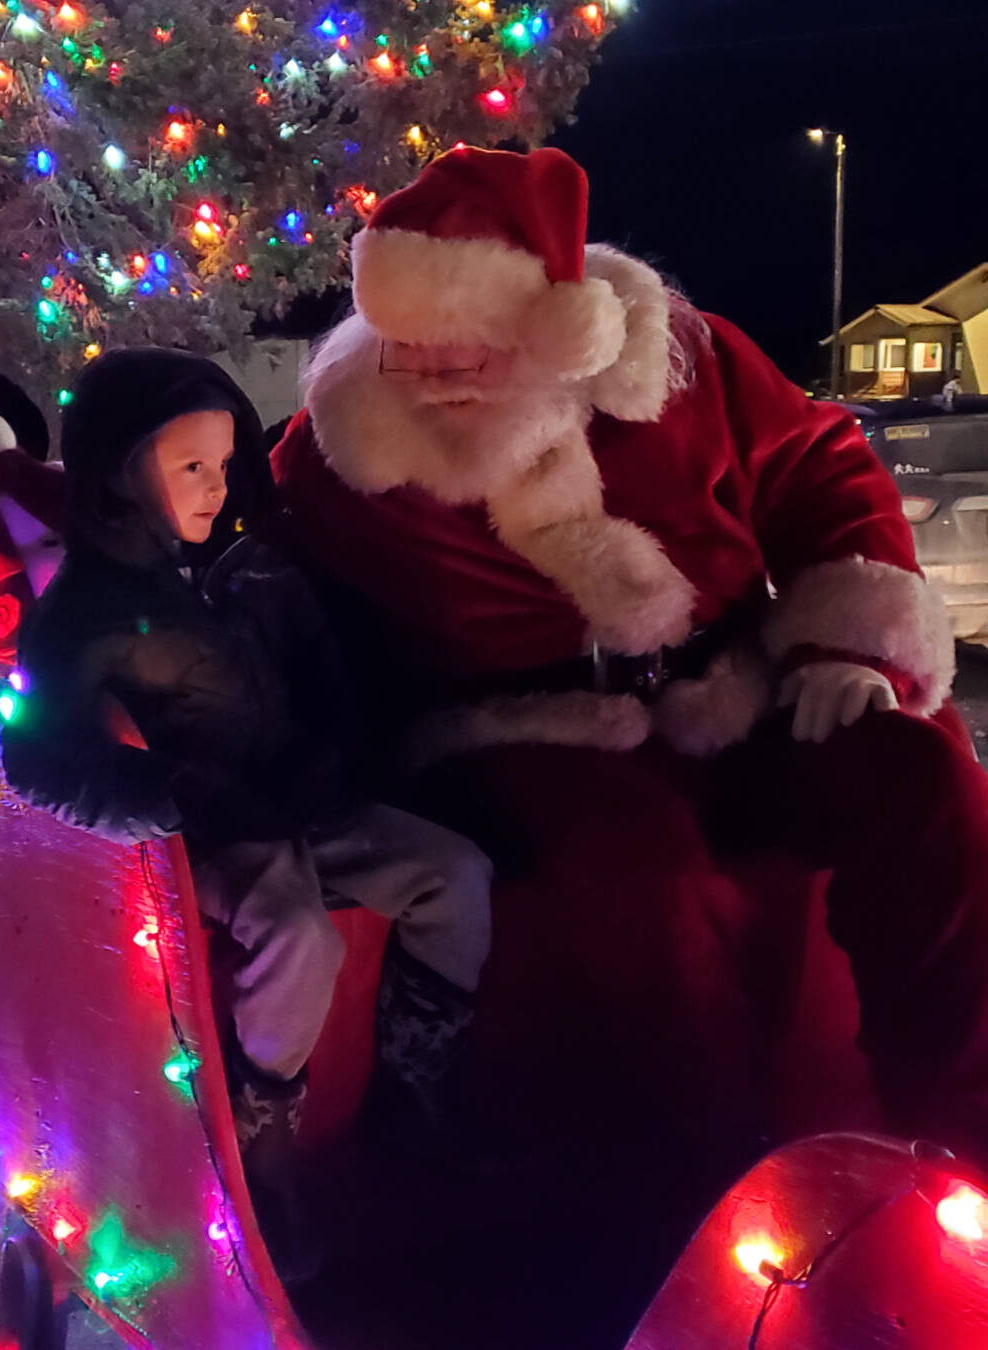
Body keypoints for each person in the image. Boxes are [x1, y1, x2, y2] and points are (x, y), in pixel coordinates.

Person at [272, 145, 988, 1335]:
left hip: (739, 686)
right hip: (523, 729)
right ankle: (698, 1243)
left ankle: (960, 1140)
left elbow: (820, 461)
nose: (437, 373)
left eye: (471, 345)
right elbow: (223, 551)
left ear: (556, 324)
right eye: (410, 346)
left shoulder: (688, 361)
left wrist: (843, 648)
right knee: (642, 886)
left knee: (922, 776)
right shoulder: (341, 448)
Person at [0, 348, 493, 1265]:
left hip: (297, 800)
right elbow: (35, 758)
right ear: (116, 467)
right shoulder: (78, 613)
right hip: (213, 832)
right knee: (300, 933)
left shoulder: (223, 569)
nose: (213, 489)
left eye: (224, 466)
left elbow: (294, 681)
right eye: (189, 466)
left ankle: (410, 1086)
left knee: (455, 875)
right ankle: (266, 1131)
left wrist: (329, 753)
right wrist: (167, 795)